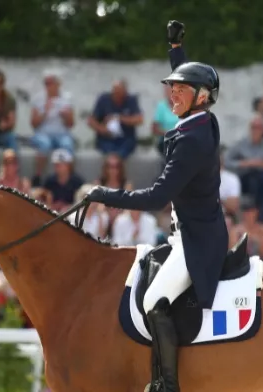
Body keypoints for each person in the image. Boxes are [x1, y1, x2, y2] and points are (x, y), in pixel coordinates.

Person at [85, 20, 227, 392]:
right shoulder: (201, 120)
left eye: (180, 89)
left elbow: (155, 198)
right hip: (190, 230)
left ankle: (168, 384)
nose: (172, 94)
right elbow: (194, 82)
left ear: (201, 97)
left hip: (197, 240)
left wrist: (106, 194)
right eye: (172, 87)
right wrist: (176, 50)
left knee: (154, 300)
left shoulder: (192, 141)